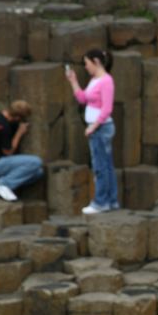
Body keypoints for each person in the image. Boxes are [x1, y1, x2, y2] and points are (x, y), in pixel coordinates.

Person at [65, 49, 118, 214]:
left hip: (101, 129)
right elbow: (82, 99)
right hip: (96, 128)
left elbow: (107, 108)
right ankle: (111, 201)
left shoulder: (106, 81)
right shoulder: (94, 80)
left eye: (87, 63)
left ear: (96, 61)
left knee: (100, 167)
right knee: (106, 166)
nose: (85, 67)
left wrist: (93, 127)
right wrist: (73, 81)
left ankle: (101, 202)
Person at [0, 100, 43, 202]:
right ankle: (1, 184)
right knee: (36, 162)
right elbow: (8, 152)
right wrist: (19, 133)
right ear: (17, 117)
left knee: (38, 173)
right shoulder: (4, 127)